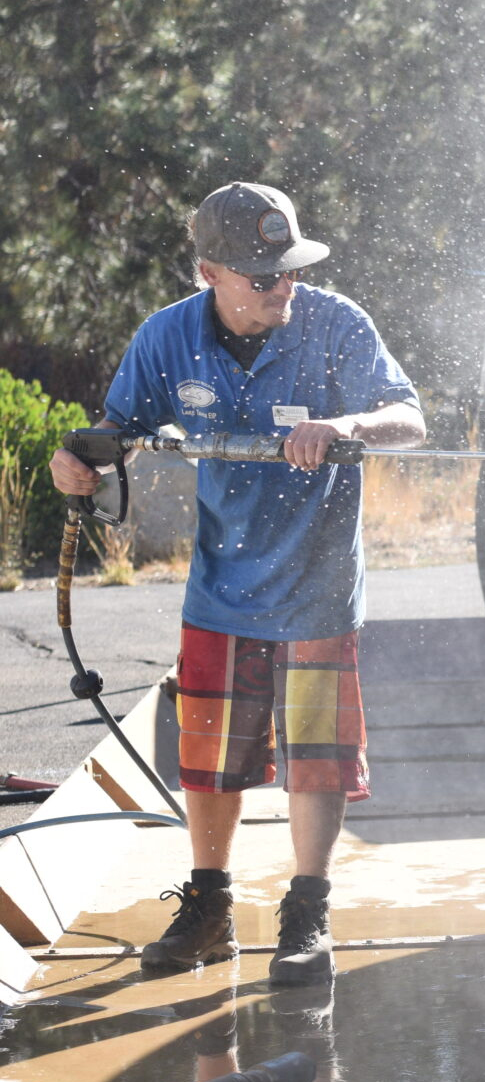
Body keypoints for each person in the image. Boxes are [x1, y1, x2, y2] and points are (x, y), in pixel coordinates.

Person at [50, 182, 423, 985]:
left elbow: (410, 416)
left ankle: (306, 910)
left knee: (316, 759)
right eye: (262, 277)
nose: (282, 286)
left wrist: (347, 426)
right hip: (221, 584)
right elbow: (117, 432)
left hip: (320, 583)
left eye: (290, 268)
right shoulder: (166, 339)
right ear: (208, 271)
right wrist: (78, 460)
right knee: (209, 762)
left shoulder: (335, 323)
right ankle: (210, 904)